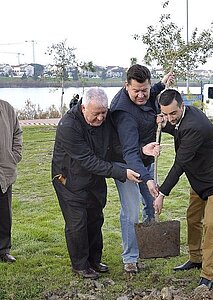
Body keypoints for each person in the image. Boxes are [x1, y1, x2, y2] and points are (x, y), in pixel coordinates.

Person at [51, 87, 158, 279]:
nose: (101, 118)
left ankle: (94, 260)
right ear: (83, 108)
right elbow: (88, 160)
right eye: (96, 114)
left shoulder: (105, 120)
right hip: (69, 179)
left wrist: (142, 151)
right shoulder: (69, 126)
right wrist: (122, 172)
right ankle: (80, 264)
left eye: (103, 112)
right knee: (77, 223)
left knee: (95, 218)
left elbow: (115, 148)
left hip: (95, 178)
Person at [153, 89, 213, 289]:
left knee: (210, 224)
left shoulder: (195, 126)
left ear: (182, 106)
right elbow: (177, 128)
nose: (169, 117)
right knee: (192, 217)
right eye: (165, 114)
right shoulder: (185, 114)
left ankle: (208, 274)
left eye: (173, 113)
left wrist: (162, 194)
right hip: (200, 178)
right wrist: (165, 125)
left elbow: (180, 163)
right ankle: (195, 258)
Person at [110, 64, 174, 273]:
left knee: (151, 202)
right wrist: (147, 178)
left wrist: (162, 83)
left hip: (145, 158)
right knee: (131, 211)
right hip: (125, 164)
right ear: (126, 86)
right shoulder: (123, 113)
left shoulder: (147, 91)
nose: (141, 95)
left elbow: (154, 91)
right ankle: (130, 257)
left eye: (144, 90)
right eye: (136, 91)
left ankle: (148, 241)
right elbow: (129, 153)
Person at [0, 100, 23, 263]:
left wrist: (14, 156)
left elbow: (17, 133)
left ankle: (3, 250)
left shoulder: (6, 108)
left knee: (4, 214)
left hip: (4, 172)